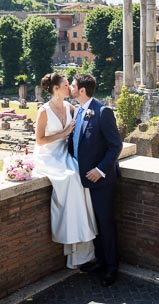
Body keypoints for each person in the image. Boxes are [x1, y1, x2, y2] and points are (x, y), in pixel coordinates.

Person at [33, 73, 97, 269]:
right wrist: (63, 133)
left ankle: (83, 241)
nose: (69, 87)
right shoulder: (43, 111)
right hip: (48, 156)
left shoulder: (70, 107)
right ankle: (68, 234)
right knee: (70, 179)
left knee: (79, 177)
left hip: (65, 154)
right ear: (55, 88)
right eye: (66, 84)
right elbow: (40, 140)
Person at [69, 74, 123, 287]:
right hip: (80, 181)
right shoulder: (78, 111)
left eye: (73, 85)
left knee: (106, 223)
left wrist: (100, 170)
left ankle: (111, 267)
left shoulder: (103, 112)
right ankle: (100, 261)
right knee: (94, 223)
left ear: (82, 90)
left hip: (101, 181)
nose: (70, 89)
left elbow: (115, 145)